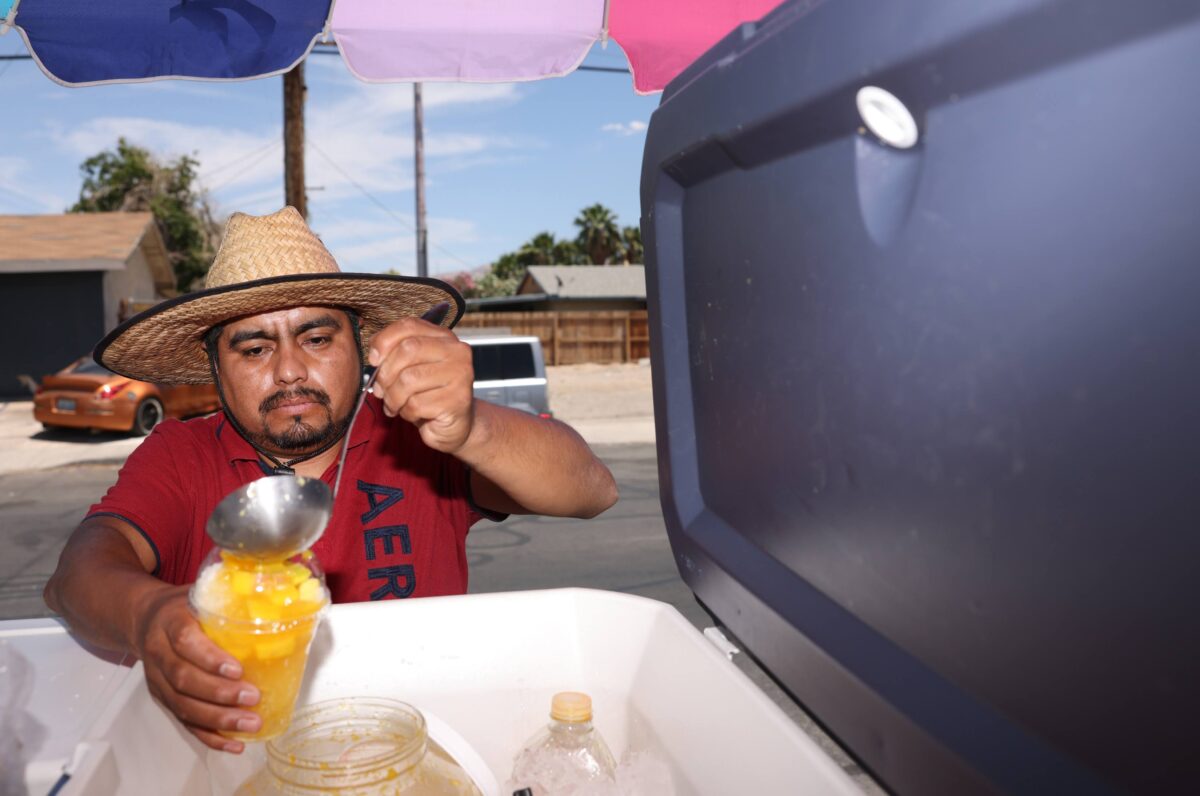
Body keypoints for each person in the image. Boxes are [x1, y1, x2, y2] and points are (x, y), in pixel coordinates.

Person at [43, 207, 618, 754]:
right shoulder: (181, 453)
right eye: (254, 348)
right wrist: (146, 617)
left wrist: (471, 428)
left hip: (421, 735)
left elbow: (591, 490)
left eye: (317, 340)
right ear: (216, 368)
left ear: (362, 346)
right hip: (241, 746)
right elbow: (79, 574)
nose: (290, 370)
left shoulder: (417, 436)